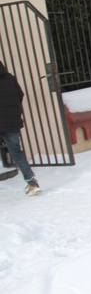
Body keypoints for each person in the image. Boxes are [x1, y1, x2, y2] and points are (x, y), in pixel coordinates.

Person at [0, 61, 40, 196]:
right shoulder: (10, 78)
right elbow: (20, 95)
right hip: (12, 122)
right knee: (16, 152)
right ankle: (32, 183)